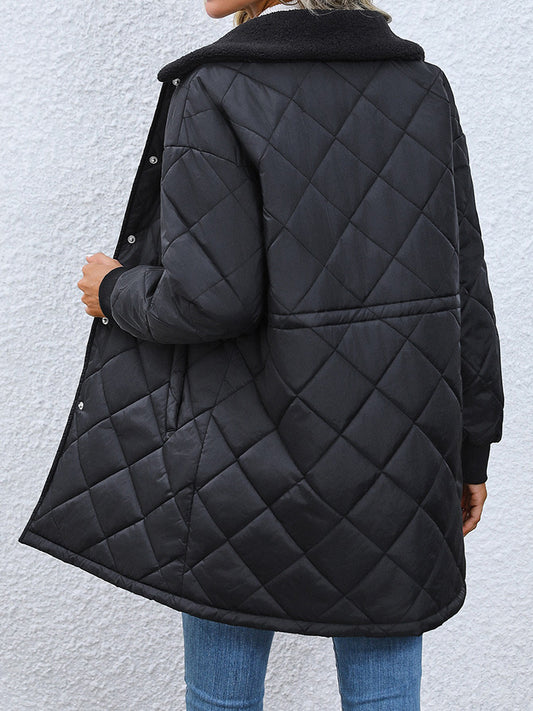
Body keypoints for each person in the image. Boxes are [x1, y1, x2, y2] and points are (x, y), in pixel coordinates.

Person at [19, 1, 504, 709]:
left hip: (242, 463)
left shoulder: (215, 86)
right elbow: (466, 286)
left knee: (224, 698)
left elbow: (210, 299)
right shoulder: (422, 86)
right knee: (385, 696)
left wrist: (114, 289)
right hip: (402, 454)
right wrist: (470, 449)